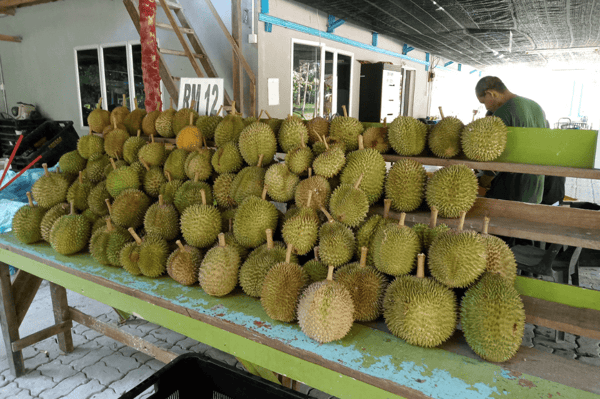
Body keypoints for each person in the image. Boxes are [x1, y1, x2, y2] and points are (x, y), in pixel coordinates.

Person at [475, 76, 565, 205]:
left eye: (483, 102)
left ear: (491, 94)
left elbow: (494, 157)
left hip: (510, 190)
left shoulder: (502, 113)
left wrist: (484, 180)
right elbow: (547, 141)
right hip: (535, 188)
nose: (486, 108)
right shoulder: (536, 106)